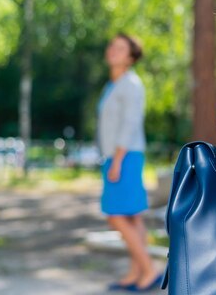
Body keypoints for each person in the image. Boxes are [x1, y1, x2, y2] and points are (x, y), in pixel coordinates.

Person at [97, 33, 162, 292]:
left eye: (121, 48)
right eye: (112, 45)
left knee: (115, 216)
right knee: (132, 217)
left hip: (124, 156)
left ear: (131, 57)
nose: (113, 50)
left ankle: (148, 269)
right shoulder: (113, 85)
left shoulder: (131, 84)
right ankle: (137, 271)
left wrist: (117, 160)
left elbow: (130, 124)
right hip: (117, 156)